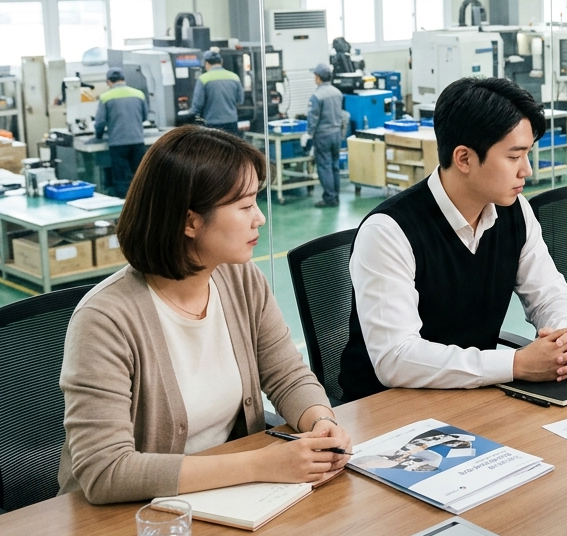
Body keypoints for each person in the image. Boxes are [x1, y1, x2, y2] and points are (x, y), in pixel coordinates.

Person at [59, 126, 352, 505]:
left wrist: (321, 422)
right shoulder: (105, 319)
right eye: (245, 206)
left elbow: (286, 375)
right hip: (128, 522)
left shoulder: (241, 279)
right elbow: (106, 471)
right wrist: (261, 464)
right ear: (190, 221)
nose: (259, 218)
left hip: (219, 502)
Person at [339, 76, 567, 402]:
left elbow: (549, 295)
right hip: (388, 411)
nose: (526, 169)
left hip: (472, 398)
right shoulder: (389, 231)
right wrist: (516, 363)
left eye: (528, 154)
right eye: (514, 157)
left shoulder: (515, 212)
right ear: (465, 158)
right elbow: (395, 359)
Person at [93, 67, 148, 198]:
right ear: (124, 79)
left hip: (118, 144)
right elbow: (144, 117)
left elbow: (100, 122)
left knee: (122, 180)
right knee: (140, 177)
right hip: (137, 141)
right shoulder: (138, 94)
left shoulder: (105, 97)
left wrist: (99, 135)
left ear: (108, 82)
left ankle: (124, 212)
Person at [308, 63, 345, 208]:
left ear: (318, 77)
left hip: (323, 135)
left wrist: (308, 134)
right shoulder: (337, 92)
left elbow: (313, 118)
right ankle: (335, 195)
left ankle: (330, 198)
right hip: (336, 134)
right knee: (335, 166)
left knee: (324, 166)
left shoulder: (317, 96)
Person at [191, 50, 244, 137]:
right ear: (221, 61)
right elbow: (240, 100)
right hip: (232, 122)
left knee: (215, 149)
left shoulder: (203, 79)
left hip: (212, 123)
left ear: (206, 63)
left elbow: (197, 105)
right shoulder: (234, 77)